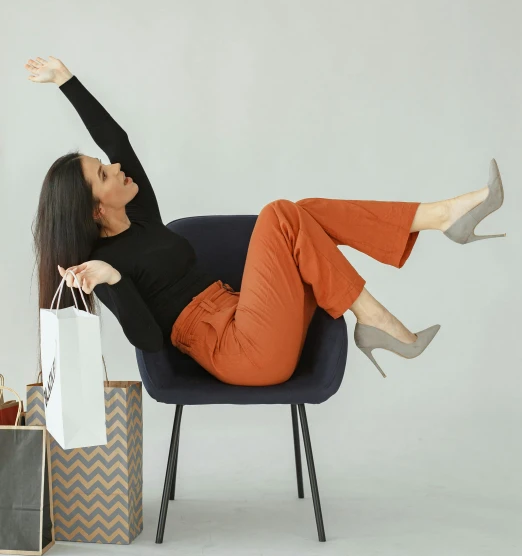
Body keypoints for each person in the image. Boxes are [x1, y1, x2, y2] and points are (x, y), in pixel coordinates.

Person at [26, 56, 506, 384]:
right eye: (106, 174)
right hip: (241, 352)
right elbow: (150, 342)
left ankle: (441, 217)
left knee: (305, 213)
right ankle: (377, 314)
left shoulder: (142, 217)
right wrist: (111, 279)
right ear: (95, 209)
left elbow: (119, 139)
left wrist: (67, 79)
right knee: (282, 214)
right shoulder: (99, 266)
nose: (119, 167)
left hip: (255, 318)